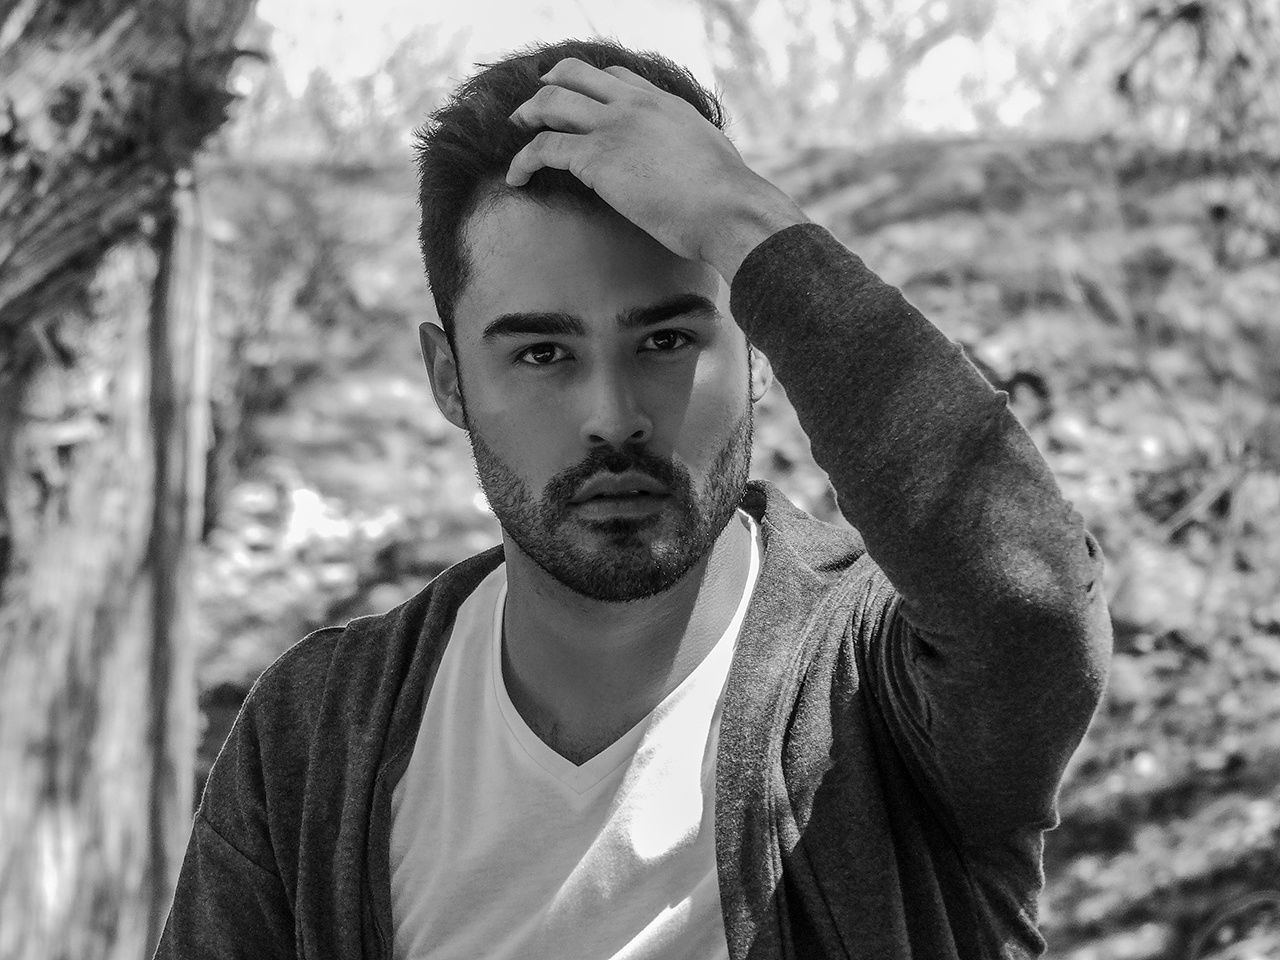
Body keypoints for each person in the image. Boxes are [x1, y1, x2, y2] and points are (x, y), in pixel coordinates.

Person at [157, 37, 1113, 960]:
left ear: (760, 351)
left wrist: (741, 223)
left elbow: (1029, 600)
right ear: (449, 380)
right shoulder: (317, 733)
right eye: (542, 353)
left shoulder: (881, 686)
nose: (612, 418)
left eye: (665, 342)